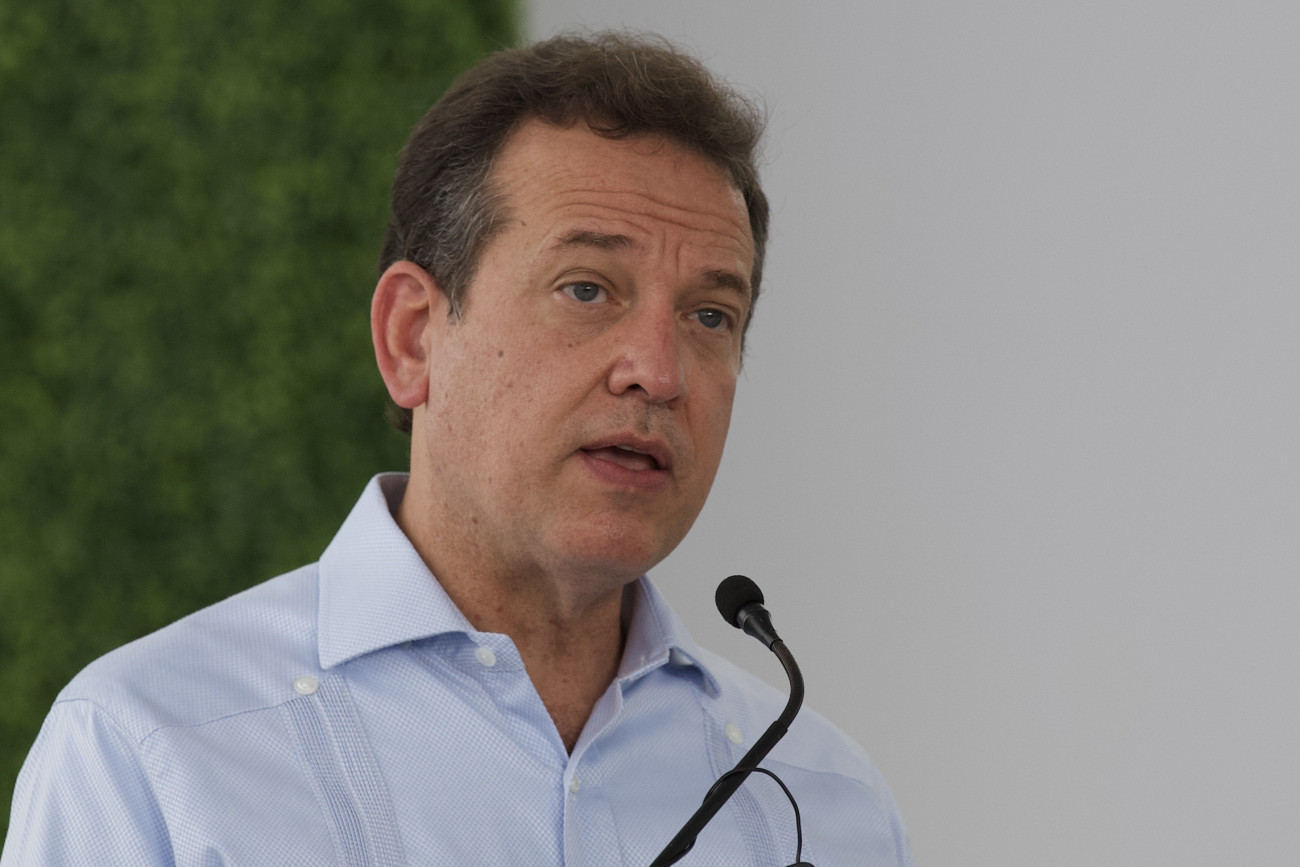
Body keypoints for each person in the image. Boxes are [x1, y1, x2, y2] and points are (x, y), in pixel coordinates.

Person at [2, 33, 912, 865]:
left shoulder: (829, 803)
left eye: (711, 315)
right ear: (412, 337)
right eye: (587, 289)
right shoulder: (149, 754)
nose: (659, 371)